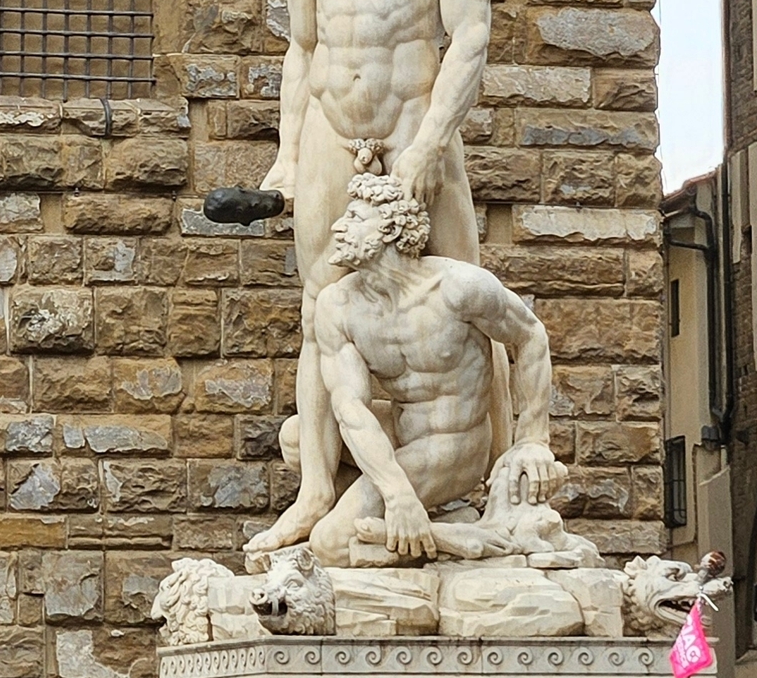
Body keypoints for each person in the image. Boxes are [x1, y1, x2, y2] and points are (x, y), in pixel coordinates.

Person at [249, 0, 498, 562]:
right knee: (321, 307)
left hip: (414, 124)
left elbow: (468, 39)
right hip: (331, 129)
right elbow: (302, 48)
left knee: (466, 298)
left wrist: (426, 148)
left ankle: (495, 486)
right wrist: (287, 156)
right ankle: (314, 492)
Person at [240, 172, 579, 569]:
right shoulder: (338, 305)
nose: (337, 227)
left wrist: (533, 438)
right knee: (296, 437)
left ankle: (441, 534)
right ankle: (425, 521)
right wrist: (397, 493)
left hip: (454, 446)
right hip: (402, 432)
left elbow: (530, 336)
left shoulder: (458, 287)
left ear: (390, 229)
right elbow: (351, 409)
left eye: (354, 218)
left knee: (330, 545)